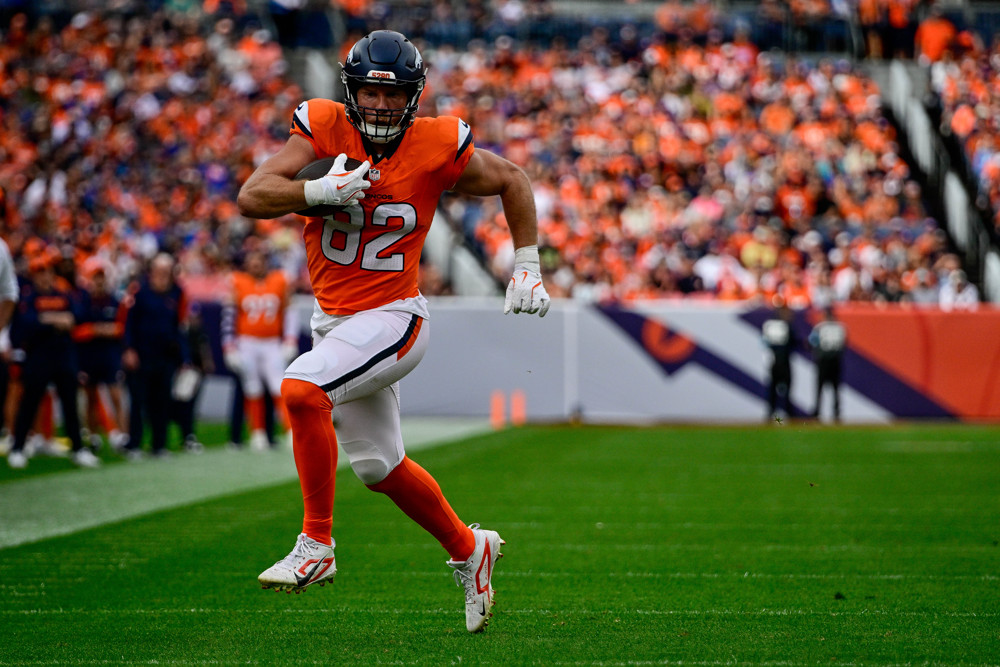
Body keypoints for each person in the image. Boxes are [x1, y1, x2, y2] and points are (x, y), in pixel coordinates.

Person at [236, 30, 550, 633]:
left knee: (302, 390)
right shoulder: (321, 129)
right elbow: (253, 194)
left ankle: (316, 546)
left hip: (395, 317)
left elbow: (512, 178)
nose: (381, 107)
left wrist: (528, 264)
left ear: (415, 96)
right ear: (350, 92)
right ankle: (468, 548)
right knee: (380, 467)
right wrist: (314, 190)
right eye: (371, 94)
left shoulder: (436, 142)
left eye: (395, 95)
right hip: (336, 322)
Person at [7, 252, 98, 469]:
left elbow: (77, 316)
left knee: (70, 404)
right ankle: (18, 447)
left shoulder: (63, 294)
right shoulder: (28, 297)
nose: (43, 277)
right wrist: (52, 321)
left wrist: (46, 320)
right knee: (29, 403)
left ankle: (78, 448)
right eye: (39, 273)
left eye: (46, 272)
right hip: (39, 357)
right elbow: (25, 324)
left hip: (64, 355)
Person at [221, 247, 296, 451]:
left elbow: (289, 311)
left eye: (259, 260)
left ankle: (290, 431)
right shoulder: (236, 281)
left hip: (271, 342)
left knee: (278, 386)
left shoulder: (280, 279)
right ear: (246, 263)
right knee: (251, 387)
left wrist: (290, 340)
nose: (255, 264)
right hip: (247, 342)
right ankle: (257, 433)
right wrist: (229, 346)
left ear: (265, 262)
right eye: (252, 260)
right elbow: (229, 316)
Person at [122, 253, 190, 459]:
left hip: (166, 355)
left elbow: (180, 326)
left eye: (166, 271)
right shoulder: (139, 291)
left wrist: (184, 357)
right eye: (159, 270)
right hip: (142, 354)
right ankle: (134, 444)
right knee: (138, 401)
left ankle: (159, 445)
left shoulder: (177, 292)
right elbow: (128, 323)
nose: (162, 275)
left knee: (162, 402)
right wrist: (128, 349)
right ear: (151, 271)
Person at [74, 258, 128, 452]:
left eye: (102, 278)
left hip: (110, 354)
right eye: (96, 278)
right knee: (90, 397)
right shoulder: (84, 301)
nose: (99, 282)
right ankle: (93, 436)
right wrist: (98, 329)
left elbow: (121, 329)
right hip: (89, 355)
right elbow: (78, 330)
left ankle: (123, 435)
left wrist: (97, 330)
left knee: (116, 394)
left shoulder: (115, 301)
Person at [808, 307, 846, 421]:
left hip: (823, 360)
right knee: (835, 388)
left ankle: (817, 411)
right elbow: (843, 344)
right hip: (835, 360)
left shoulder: (820, 327)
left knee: (820, 387)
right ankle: (836, 412)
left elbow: (812, 341)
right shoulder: (840, 327)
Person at [761, 298, 796, 422]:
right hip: (782, 360)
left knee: (773, 388)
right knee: (786, 388)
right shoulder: (785, 324)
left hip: (773, 361)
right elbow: (793, 341)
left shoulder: (768, 324)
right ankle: (788, 413)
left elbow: (764, 342)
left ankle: (771, 414)